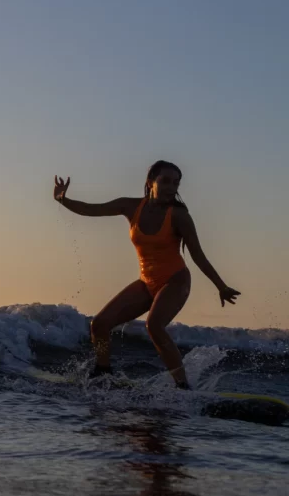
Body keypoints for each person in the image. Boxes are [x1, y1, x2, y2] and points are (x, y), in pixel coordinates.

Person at [53, 160, 240, 388]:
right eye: (166, 181)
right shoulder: (131, 207)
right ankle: (103, 372)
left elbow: (198, 255)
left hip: (175, 280)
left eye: (176, 183)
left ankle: (182, 386)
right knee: (99, 324)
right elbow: (94, 209)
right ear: (151, 182)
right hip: (146, 282)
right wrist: (63, 200)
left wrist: (221, 286)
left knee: (154, 326)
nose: (172, 187)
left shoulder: (179, 216)